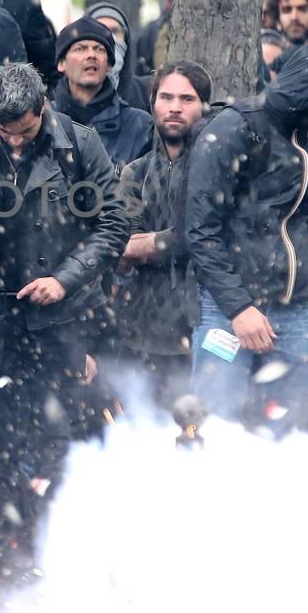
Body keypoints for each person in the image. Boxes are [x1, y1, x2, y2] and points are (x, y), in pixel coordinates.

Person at [0, 62, 128, 587]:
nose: (14, 140)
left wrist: (64, 279)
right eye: (4, 130)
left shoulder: (79, 144)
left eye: (24, 129)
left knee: (51, 439)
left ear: (43, 109)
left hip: (57, 317)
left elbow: (114, 224)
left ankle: (48, 547)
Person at [185, 42, 308, 432]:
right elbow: (201, 230)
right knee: (214, 425)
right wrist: (238, 307)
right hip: (226, 307)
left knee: (284, 430)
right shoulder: (234, 128)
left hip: (294, 306)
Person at [114, 61, 213, 408]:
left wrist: (155, 242)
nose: (174, 107)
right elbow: (121, 245)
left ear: (204, 106)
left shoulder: (216, 167)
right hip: (145, 329)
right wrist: (172, 240)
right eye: (166, 97)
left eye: (187, 99)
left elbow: (206, 239)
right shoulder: (135, 173)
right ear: (152, 103)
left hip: (207, 321)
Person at [51, 17, 151, 166]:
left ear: (109, 65)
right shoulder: (43, 123)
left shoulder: (140, 126)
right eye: (80, 48)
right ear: (61, 63)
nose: (92, 55)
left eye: (99, 49)